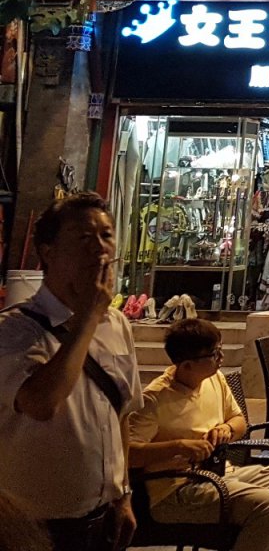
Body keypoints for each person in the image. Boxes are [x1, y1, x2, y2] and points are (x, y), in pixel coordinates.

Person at [0, 194, 142, 551]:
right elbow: (41, 402)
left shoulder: (117, 325)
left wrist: (123, 494)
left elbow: (121, 413)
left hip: (103, 518)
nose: (99, 248)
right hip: (32, 528)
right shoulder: (14, 330)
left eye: (106, 235)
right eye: (83, 237)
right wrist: (88, 317)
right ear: (48, 252)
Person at [130, 319, 269, 551]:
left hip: (221, 472)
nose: (221, 358)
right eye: (214, 354)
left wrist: (227, 429)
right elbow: (129, 455)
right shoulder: (154, 399)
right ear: (187, 365)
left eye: (220, 349)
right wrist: (179, 446)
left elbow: (240, 422)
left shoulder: (215, 378)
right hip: (176, 490)